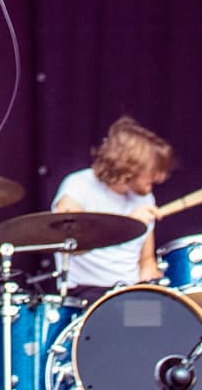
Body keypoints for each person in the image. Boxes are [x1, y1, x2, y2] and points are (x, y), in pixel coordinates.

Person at [51, 115, 172, 302]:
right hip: (87, 293)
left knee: (162, 316)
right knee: (116, 317)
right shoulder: (78, 186)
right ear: (130, 166)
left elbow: (146, 261)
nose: (158, 176)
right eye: (152, 169)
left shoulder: (145, 198)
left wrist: (158, 293)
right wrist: (126, 226)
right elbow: (72, 245)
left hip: (130, 291)